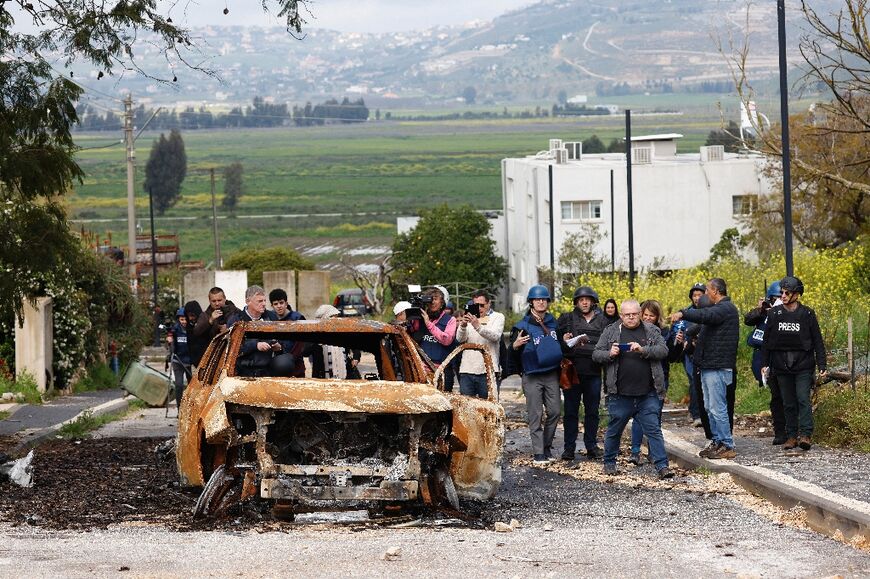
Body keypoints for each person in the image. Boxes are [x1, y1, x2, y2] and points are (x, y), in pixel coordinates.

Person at [592, 299, 674, 479]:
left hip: (648, 392)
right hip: (620, 393)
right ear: (621, 315)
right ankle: (609, 462)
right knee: (615, 430)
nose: (631, 317)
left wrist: (643, 349)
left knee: (654, 430)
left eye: (634, 314)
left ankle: (662, 466)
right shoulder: (611, 331)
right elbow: (596, 354)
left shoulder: (651, 330)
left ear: (640, 313)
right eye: (627, 315)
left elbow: (663, 351)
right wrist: (609, 354)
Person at [671, 278, 740, 460]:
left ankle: (727, 444)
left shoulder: (725, 309)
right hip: (708, 366)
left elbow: (704, 317)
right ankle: (717, 441)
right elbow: (701, 324)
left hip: (718, 366)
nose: (705, 294)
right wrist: (687, 334)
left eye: (707, 290)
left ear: (715, 291)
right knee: (710, 407)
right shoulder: (717, 312)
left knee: (718, 408)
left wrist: (683, 314)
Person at [761, 276, 827, 451]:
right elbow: (766, 341)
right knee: (788, 402)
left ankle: (805, 434)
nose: (782, 295)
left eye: (787, 292)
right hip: (781, 365)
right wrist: (764, 363)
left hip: (803, 364)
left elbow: (817, 340)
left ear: (796, 294)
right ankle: (791, 436)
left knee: (802, 398)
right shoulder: (774, 314)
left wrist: (822, 364)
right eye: (781, 292)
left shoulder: (807, 314)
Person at [508, 285, 562, 464]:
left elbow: (559, 344)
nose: (541, 302)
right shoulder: (522, 325)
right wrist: (514, 346)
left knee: (554, 411)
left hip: (551, 373)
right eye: (538, 299)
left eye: (544, 299)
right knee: (535, 414)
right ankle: (539, 453)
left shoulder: (554, 323)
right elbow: (511, 353)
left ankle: (546, 447)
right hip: (532, 374)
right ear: (531, 302)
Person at [556, 285, 607, 460]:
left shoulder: (603, 321)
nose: (584, 302)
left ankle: (591, 446)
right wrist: (564, 341)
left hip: (593, 373)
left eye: (588, 299)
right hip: (572, 371)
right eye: (581, 299)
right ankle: (569, 448)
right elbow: (555, 344)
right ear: (576, 302)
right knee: (570, 411)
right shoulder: (566, 319)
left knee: (592, 411)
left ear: (593, 302)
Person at [629, 300, 679, 465]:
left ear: (657, 317)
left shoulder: (664, 332)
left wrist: (676, 342)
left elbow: (670, 355)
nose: (648, 318)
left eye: (652, 315)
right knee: (637, 415)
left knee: (655, 414)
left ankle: (653, 452)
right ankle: (635, 451)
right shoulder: (634, 331)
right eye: (646, 315)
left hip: (659, 377)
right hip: (638, 376)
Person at [744, 280, 787, 445]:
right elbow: (748, 319)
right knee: (776, 397)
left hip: (783, 359)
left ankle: (792, 430)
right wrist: (761, 309)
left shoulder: (789, 312)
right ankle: (780, 431)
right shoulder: (763, 313)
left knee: (788, 397)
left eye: (781, 297)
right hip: (765, 358)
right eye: (775, 297)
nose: (779, 300)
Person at [456, 290, 505, 399]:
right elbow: (460, 339)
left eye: (482, 305)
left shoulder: (498, 317)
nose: (479, 308)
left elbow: (495, 336)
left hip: (488, 370)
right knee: (466, 408)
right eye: (475, 305)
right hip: (467, 369)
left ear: (489, 304)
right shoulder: (470, 316)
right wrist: (463, 326)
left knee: (489, 408)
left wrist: (477, 326)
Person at [305, 304, 362, 379]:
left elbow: (356, 346)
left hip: (346, 376)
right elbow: (305, 352)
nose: (336, 320)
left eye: (336, 317)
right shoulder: (315, 335)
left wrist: (356, 358)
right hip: (323, 378)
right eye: (332, 317)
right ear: (325, 318)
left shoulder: (342, 333)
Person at [417, 285, 458, 376]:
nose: (432, 302)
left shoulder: (450, 320)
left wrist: (429, 324)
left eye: (435, 299)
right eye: (430, 299)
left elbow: (447, 340)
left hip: (442, 370)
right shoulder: (420, 318)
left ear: (442, 302)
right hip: (421, 368)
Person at [682, 283, 706, 427]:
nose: (697, 298)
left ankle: (696, 410)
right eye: (694, 295)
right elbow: (680, 330)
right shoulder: (687, 313)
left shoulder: (709, 311)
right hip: (690, 354)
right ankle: (696, 414)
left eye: (700, 295)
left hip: (705, 353)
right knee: (694, 381)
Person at [166, 308, 192, 410]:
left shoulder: (192, 329)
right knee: (179, 385)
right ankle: (180, 409)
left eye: (186, 319)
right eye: (182, 319)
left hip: (190, 362)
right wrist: (169, 341)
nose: (184, 322)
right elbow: (170, 345)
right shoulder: (175, 329)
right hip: (178, 361)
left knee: (192, 386)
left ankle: (190, 409)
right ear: (178, 319)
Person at [182, 300, 206, 368]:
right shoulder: (189, 327)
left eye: (192, 315)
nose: (190, 318)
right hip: (194, 362)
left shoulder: (204, 323)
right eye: (188, 316)